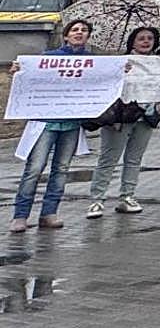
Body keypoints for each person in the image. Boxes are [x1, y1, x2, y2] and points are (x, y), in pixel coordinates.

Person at [10, 19, 94, 233]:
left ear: (88, 37)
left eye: (84, 30)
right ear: (66, 35)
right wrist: (19, 69)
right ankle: (20, 215)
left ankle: (49, 212)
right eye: (75, 30)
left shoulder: (93, 61)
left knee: (62, 170)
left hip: (72, 124)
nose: (79, 33)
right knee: (35, 169)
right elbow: (31, 79)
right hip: (45, 122)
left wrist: (120, 71)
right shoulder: (49, 57)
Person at [85, 26, 160, 219]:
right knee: (109, 158)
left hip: (147, 116)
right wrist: (118, 71)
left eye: (150, 38)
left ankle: (127, 196)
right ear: (132, 41)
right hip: (121, 117)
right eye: (141, 38)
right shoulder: (121, 62)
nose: (146, 41)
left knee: (134, 159)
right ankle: (97, 199)